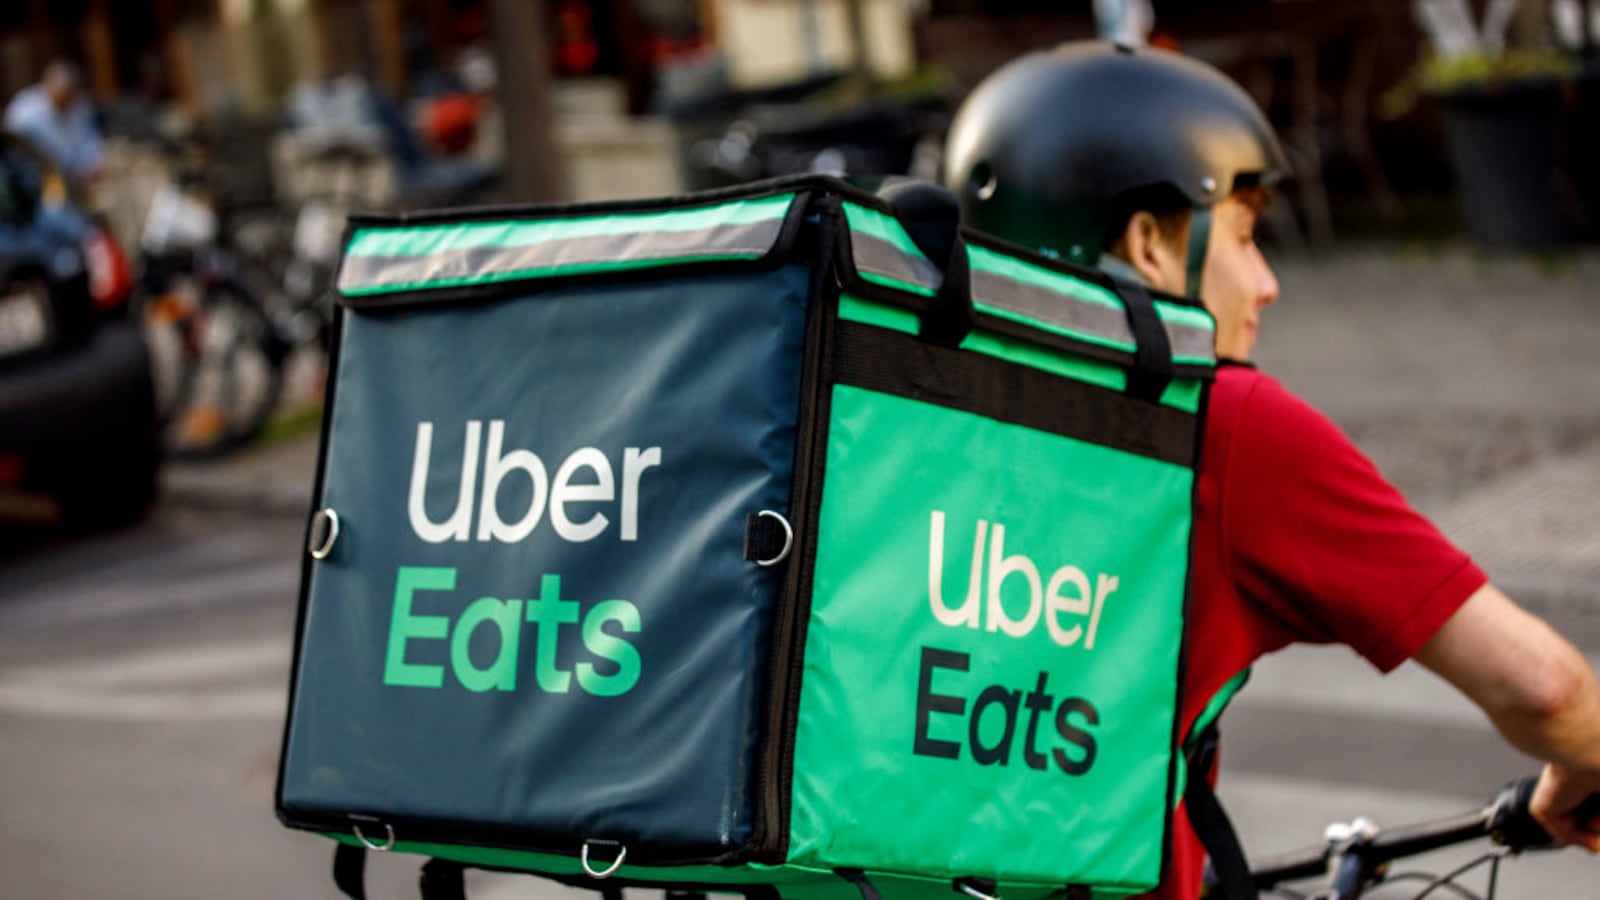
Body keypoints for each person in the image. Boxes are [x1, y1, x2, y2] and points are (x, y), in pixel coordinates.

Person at [941, 41, 1600, 899]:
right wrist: (1579, 764)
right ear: (1148, 243)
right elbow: (1545, 689)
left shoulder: (910, 410)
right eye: (1246, 236)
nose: (1269, 282)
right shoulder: (1222, 425)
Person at [4, 60, 105, 182]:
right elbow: (17, 152)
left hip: (78, 175)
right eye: (62, 96)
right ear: (48, 86)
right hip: (38, 177)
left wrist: (93, 163)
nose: (66, 103)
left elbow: (89, 138)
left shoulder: (80, 105)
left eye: (70, 96)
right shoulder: (25, 111)